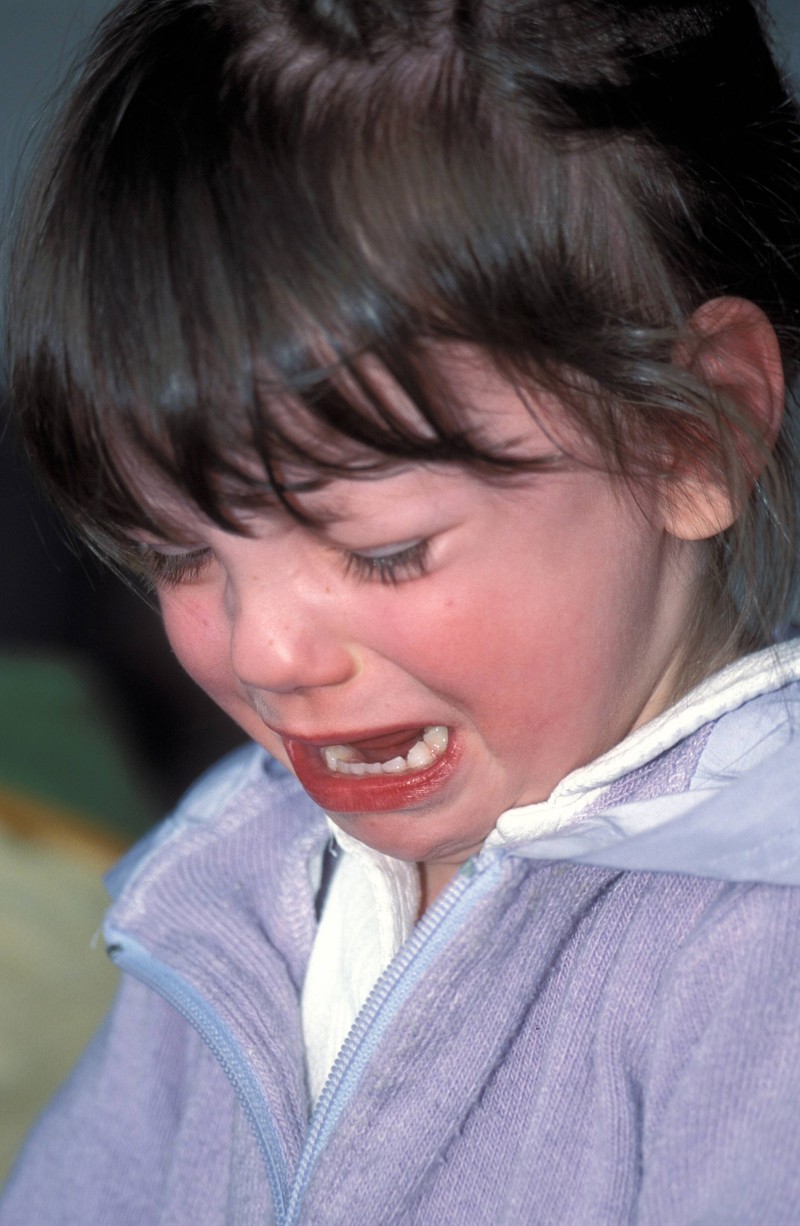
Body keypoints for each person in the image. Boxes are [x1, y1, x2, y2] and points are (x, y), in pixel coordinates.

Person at [4, 0, 800, 1220]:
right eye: (176, 552)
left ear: (686, 441)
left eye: (382, 553)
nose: (264, 652)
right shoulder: (231, 879)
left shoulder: (759, 956)